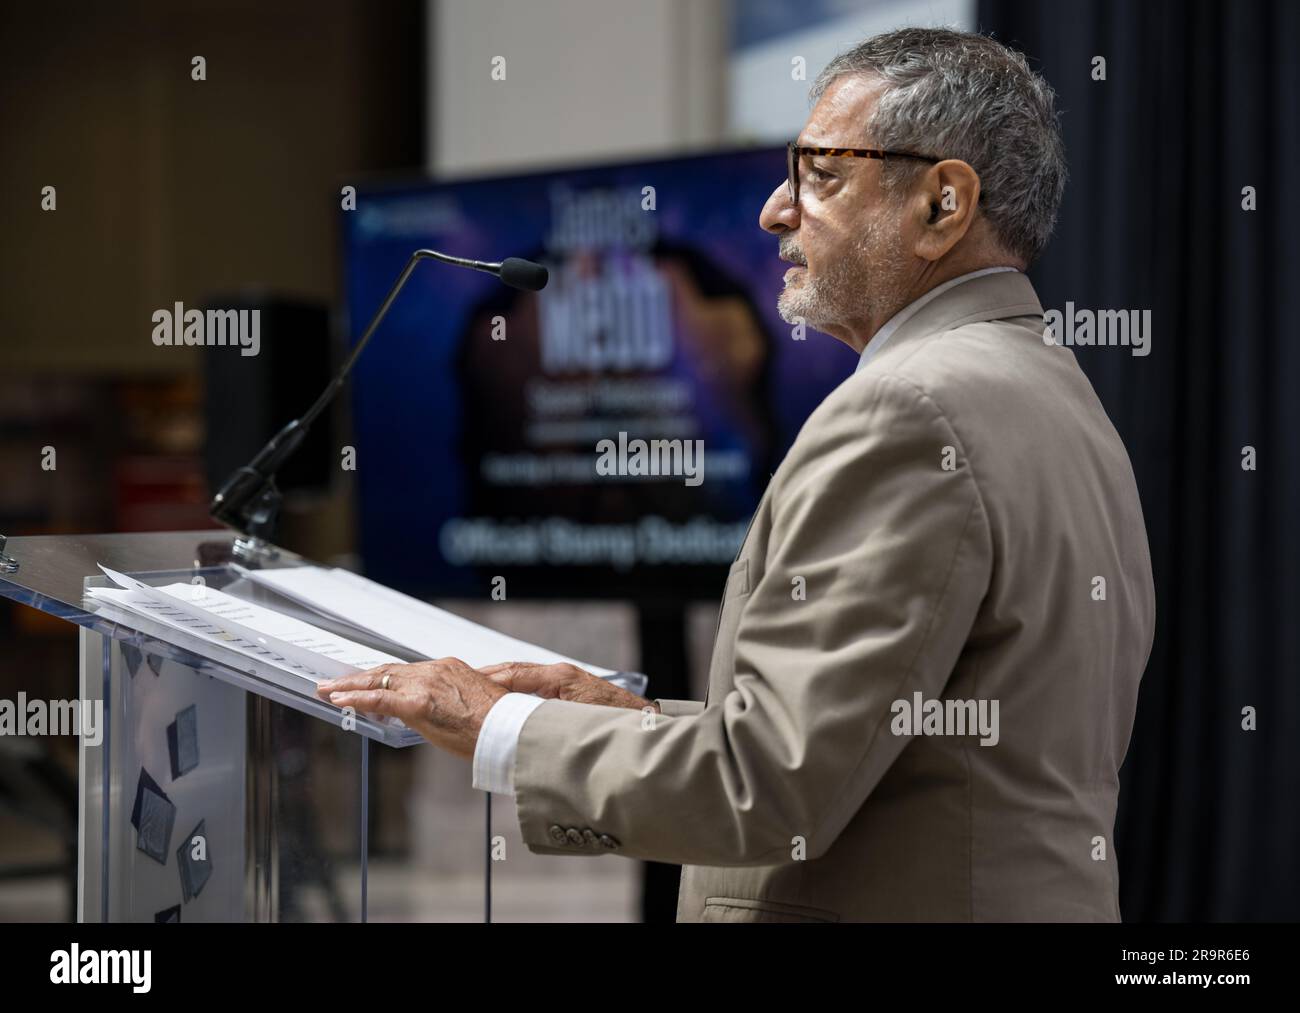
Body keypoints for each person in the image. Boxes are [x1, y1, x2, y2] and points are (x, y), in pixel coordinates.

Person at [319, 27, 1155, 922]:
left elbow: (769, 786)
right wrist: (609, 712)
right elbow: (879, 750)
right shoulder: (1056, 387)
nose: (775, 210)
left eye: (821, 175)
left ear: (943, 205)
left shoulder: (907, 412)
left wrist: (498, 726)